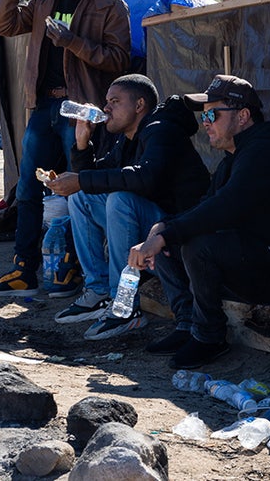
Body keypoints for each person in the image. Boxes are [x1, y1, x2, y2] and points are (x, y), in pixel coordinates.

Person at [128, 74, 270, 370]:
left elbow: (225, 207)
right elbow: (205, 205)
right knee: (169, 242)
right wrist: (163, 229)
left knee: (195, 244)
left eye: (212, 114)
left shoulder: (266, 150)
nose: (205, 122)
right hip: (253, 257)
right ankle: (187, 326)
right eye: (203, 115)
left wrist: (168, 233)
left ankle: (209, 337)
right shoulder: (234, 157)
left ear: (243, 116)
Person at [0, 0, 131, 296]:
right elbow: (3, 24)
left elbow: (119, 60)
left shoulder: (109, 3)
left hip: (79, 111)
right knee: (30, 189)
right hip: (43, 105)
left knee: (79, 190)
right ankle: (23, 272)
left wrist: (72, 43)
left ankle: (76, 273)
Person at [45, 74, 210, 341]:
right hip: (148, 225)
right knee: (81, 198)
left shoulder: (161, 130)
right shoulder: (128, 139)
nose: (106, 108)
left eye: (115, 101)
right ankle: (98, 292)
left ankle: (123, 306)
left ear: (139, 105)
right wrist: (82, 142)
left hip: (177, 228)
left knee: (120, 200)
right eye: (106, 102)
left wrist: (82, 180)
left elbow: (144, 177)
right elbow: (94, 177)